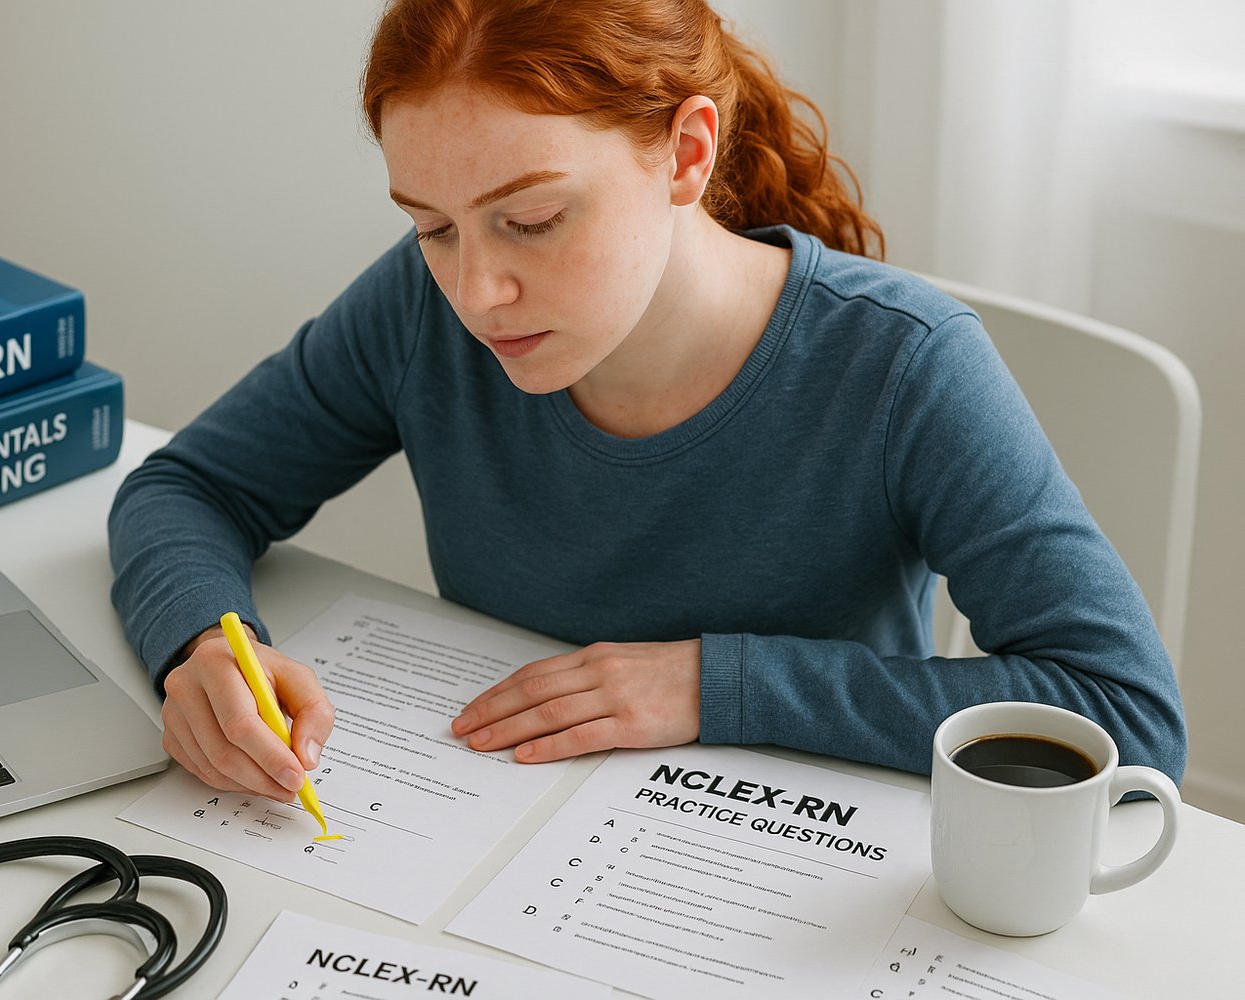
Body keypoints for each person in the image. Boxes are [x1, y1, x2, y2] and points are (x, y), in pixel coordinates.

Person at [108, 0, 1186, 806]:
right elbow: (189, 485)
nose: (476, 291)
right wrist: (208, 644)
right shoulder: (418, 308)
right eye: (433, 226)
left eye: (529, 218)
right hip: (492, 833)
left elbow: (1125, 715)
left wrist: (719, 685)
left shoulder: (905, 365)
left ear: (686, 151)